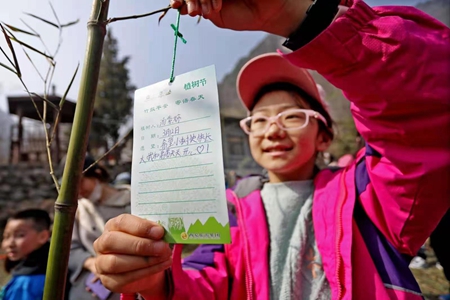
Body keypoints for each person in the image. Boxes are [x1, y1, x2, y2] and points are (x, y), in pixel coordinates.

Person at [93, 0, 450, 299]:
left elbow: (424, 113)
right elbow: (204, 283)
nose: (272, 129)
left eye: (292, 116)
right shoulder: (230, 213)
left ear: (324, 136)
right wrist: (154, 282)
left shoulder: (369, 196)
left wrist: (288, 13)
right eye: (259, 120)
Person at [67, 156, 131, 300]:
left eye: (81, 182)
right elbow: (69, 249)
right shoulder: (77, 209)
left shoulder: (131, 201)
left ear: (97, 174)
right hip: (91, 284)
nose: (78, 190)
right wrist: (92, 263)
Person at [0, 209, 51, 300]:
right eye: (6, 236)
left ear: (43, 236)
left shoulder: (27, 282)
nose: (10, 244)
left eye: (20, 235)